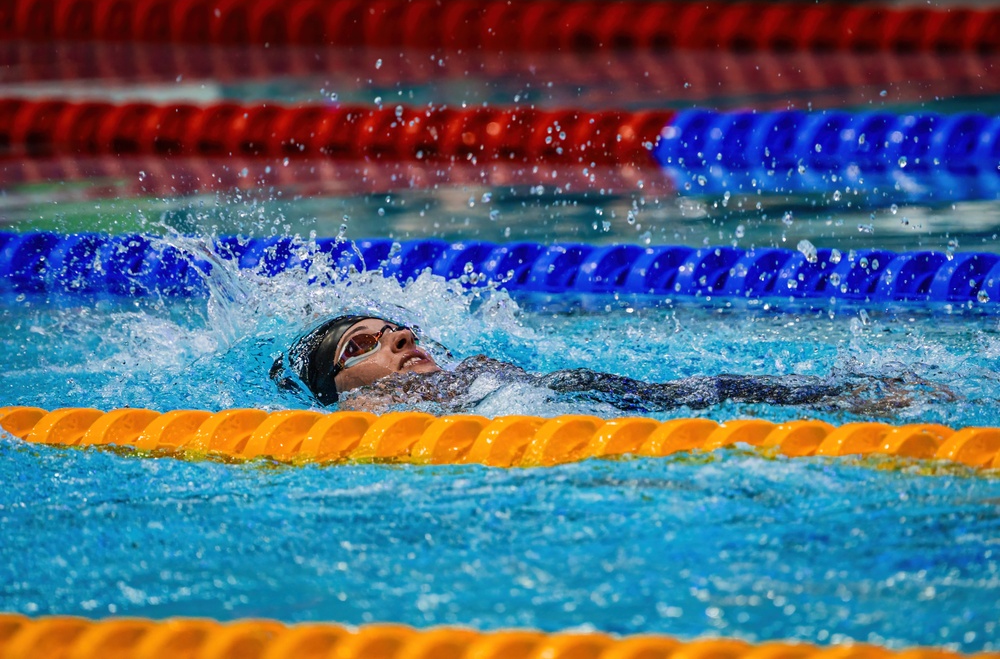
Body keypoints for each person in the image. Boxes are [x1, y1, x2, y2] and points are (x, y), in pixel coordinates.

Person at [272, 314, 953, 415]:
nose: (396, 340)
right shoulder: (365, 411)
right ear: (333, 387)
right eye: (360, 346)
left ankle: (852, 392)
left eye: (396, 330)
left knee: (712, 388)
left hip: (606, 399)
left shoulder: (467, 367)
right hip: (590, 416)